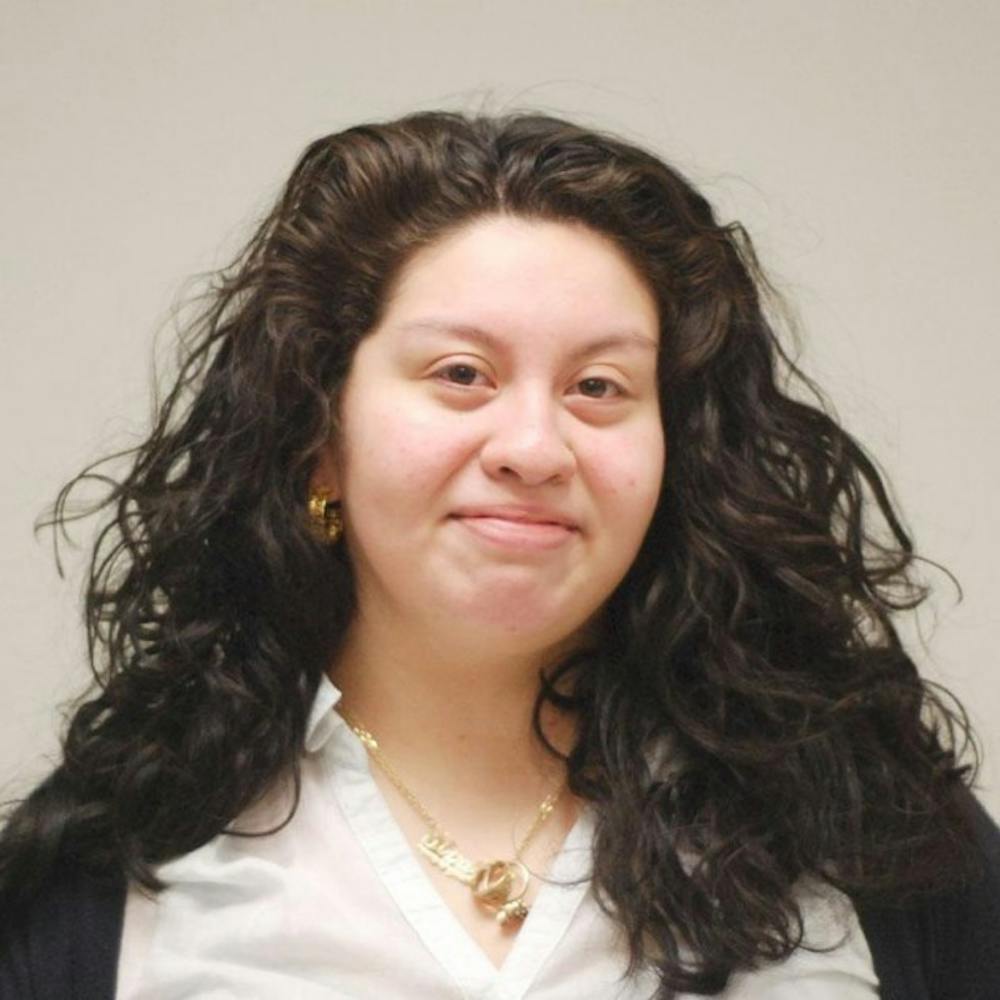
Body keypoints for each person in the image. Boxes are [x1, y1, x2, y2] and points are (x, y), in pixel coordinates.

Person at [1, 109, 998, 1000]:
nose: (533, 448)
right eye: (461, 373)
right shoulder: (103, 874)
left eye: (598, 387)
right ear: (318, 432)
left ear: (675, 452)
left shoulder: (880, 837)